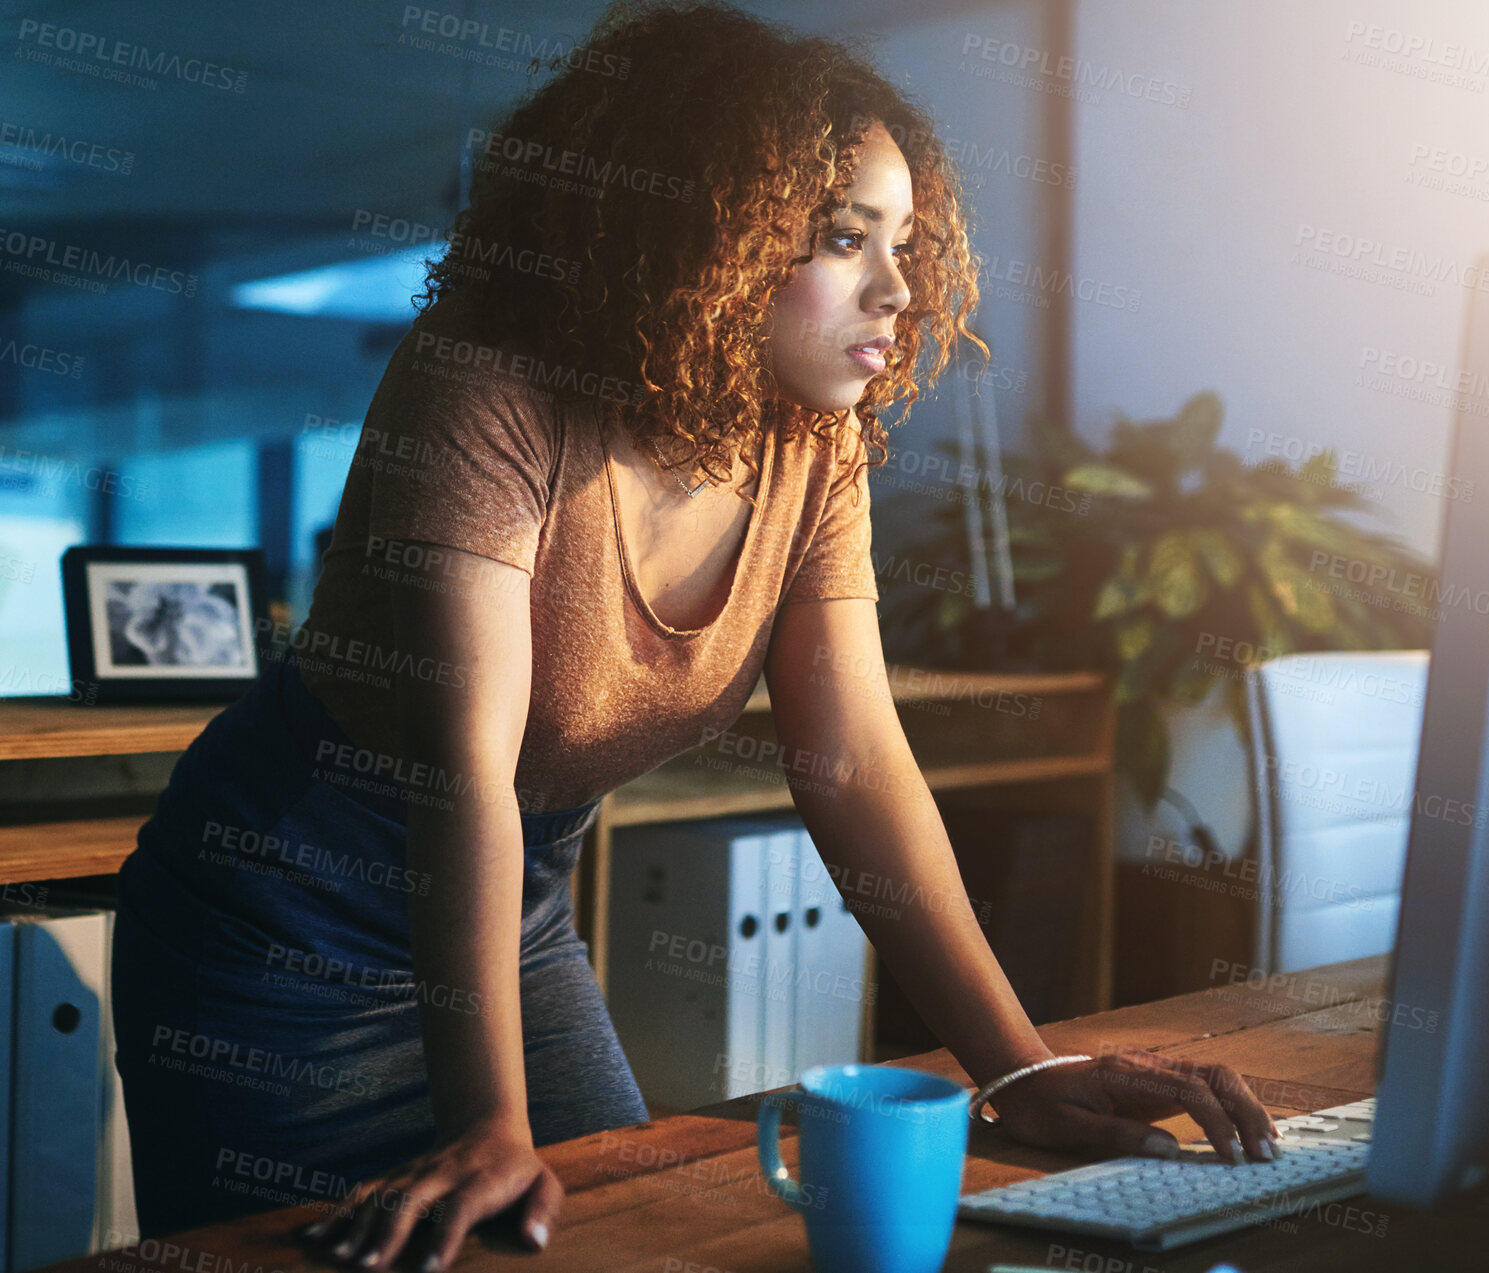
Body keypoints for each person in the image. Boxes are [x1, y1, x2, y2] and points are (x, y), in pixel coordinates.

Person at [110, 1, 1279, 1267]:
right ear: (698, 239)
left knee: (617, 1241)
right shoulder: (482, 383)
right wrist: (493, 1121)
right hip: (270, 935)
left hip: (509, 921)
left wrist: (1019, 1070)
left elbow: (854, 763)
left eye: (905, 242)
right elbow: (464, 778)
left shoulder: (812, 439)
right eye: (844, 239)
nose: (897, 288)